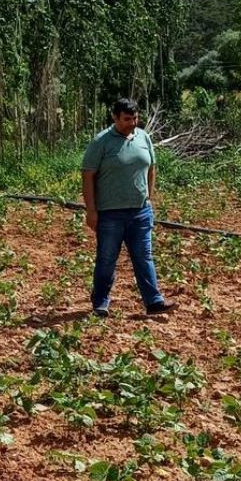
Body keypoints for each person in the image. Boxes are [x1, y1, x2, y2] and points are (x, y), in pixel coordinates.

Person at [81, 98, 177, 318]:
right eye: (127, 119)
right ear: (115, 118)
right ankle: (100, 303)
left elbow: (151, 168)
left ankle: (154, 302)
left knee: (144, 257)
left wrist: (148, 198)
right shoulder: (101, 142)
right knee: (107, 259)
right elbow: (87, 176)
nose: (132, 123)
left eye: (135, 118)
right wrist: (91, 210)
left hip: (140, 212)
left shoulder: (144, 137)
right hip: (110, 213)